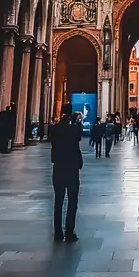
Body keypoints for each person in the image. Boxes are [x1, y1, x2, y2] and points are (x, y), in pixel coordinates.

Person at [50, 102, 83, 242]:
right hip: (72, 167)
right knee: (72, 200)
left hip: (58, 167)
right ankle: (69, 232)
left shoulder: (55, 129)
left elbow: (53, 144)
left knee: (58, 201)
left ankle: (58, 232)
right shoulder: (74, 129)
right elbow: (78, 139)